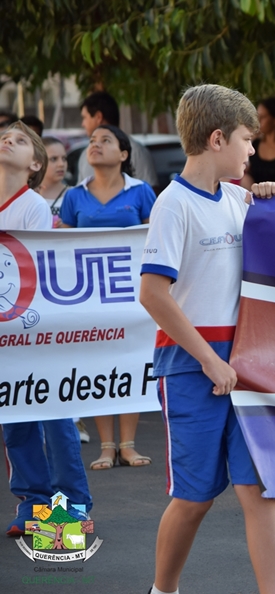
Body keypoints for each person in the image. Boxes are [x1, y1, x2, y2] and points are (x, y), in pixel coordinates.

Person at [139, 84, 275, 594]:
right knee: (194, 497)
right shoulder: (172, 205)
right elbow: (153, 294)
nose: (253, 150)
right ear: (218, 137)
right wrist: (208, 361)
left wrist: (270, 200)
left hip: (245, 361)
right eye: (248, 140)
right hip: (189, 364)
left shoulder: (240, 198)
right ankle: (163, 590)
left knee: (258, 490)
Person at [1, 122, 93, 537]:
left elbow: (30, 270)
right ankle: (34, 503)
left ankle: (72, 505)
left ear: (34, 164)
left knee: (55, 418)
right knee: (16, 420)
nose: (8, 141)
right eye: (5, 137)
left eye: (20, 141)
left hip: (36, 331)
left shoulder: (33, 206)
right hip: (7, 338)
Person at [59, 124, 157, 468]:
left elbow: (157, 241)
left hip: (133, 295)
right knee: (98, 363)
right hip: (89, 298)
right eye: (91, 141)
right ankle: (106, 445)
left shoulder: (142, 192)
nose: (95, 145)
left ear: (124, 154)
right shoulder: (73, 196)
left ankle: (128, 445)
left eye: (105, 140)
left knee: (130, 361)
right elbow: (59, 250)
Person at [78, 91, 157, 187]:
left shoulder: (136, 152)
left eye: (84, 118)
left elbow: (151, 195)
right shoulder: (86, 154)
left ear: (123, 155)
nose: (83, 124)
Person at [36, 136, 69, 228]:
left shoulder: (75, 195)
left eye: (64, 158)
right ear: (37, 162)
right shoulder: (28, 195)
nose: (61, 164)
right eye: (54, 159)